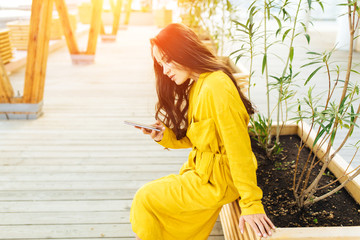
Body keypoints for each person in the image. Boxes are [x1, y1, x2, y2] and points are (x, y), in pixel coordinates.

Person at [130, 23, 275, 240]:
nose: (165, 70)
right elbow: (200, 137)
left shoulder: (217, 86)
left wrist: (251, 203)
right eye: (161, 64)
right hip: (204, 172)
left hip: (218, 180)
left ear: (184, 50)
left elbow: (239, 148)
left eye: (168, 61)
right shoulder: (198, 84)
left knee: (145, 198)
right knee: (157, 208)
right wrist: (164, 135)